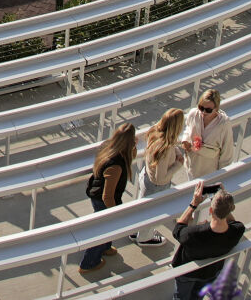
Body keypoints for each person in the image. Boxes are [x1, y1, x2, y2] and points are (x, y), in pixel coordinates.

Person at [169, 181, 246, 300]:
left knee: (180, 297)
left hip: (187, 273)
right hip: (211, 272)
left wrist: (194, 203)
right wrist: (222, 204)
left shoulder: (192, 234)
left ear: (210, 211)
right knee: (197, 296)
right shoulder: (237, 231)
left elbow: (177, 229)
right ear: (231, 209)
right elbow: (233, 222)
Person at [78, 123, 137, 272]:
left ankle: (106, 247)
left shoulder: (108, 147)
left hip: (99, 195)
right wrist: (114, 213)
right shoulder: (115, 166)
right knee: (102, 231)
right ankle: (89, 263)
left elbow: (132, 155)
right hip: (104, 200)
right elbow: (107, 196)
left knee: (107, 229)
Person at [128, 108, 187, 248]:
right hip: (156, 186)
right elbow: (161, 178)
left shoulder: (155, 131)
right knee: (151, 214)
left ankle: (135, 231)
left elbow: (172, 145)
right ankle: (145, 237)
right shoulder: (164, 149)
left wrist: (177, 151)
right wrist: (178, 164)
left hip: (146, 176)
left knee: (141, 208)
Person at [182, 89, 235, 181]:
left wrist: (222, 176)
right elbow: (187, 128)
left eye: (208, 110)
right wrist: (185, 140)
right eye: (201, 107)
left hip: (210, 173)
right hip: (191, 167)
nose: (203, 112)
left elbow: (227, 152)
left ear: (217, 108)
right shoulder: (193, 114)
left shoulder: (223, 124)